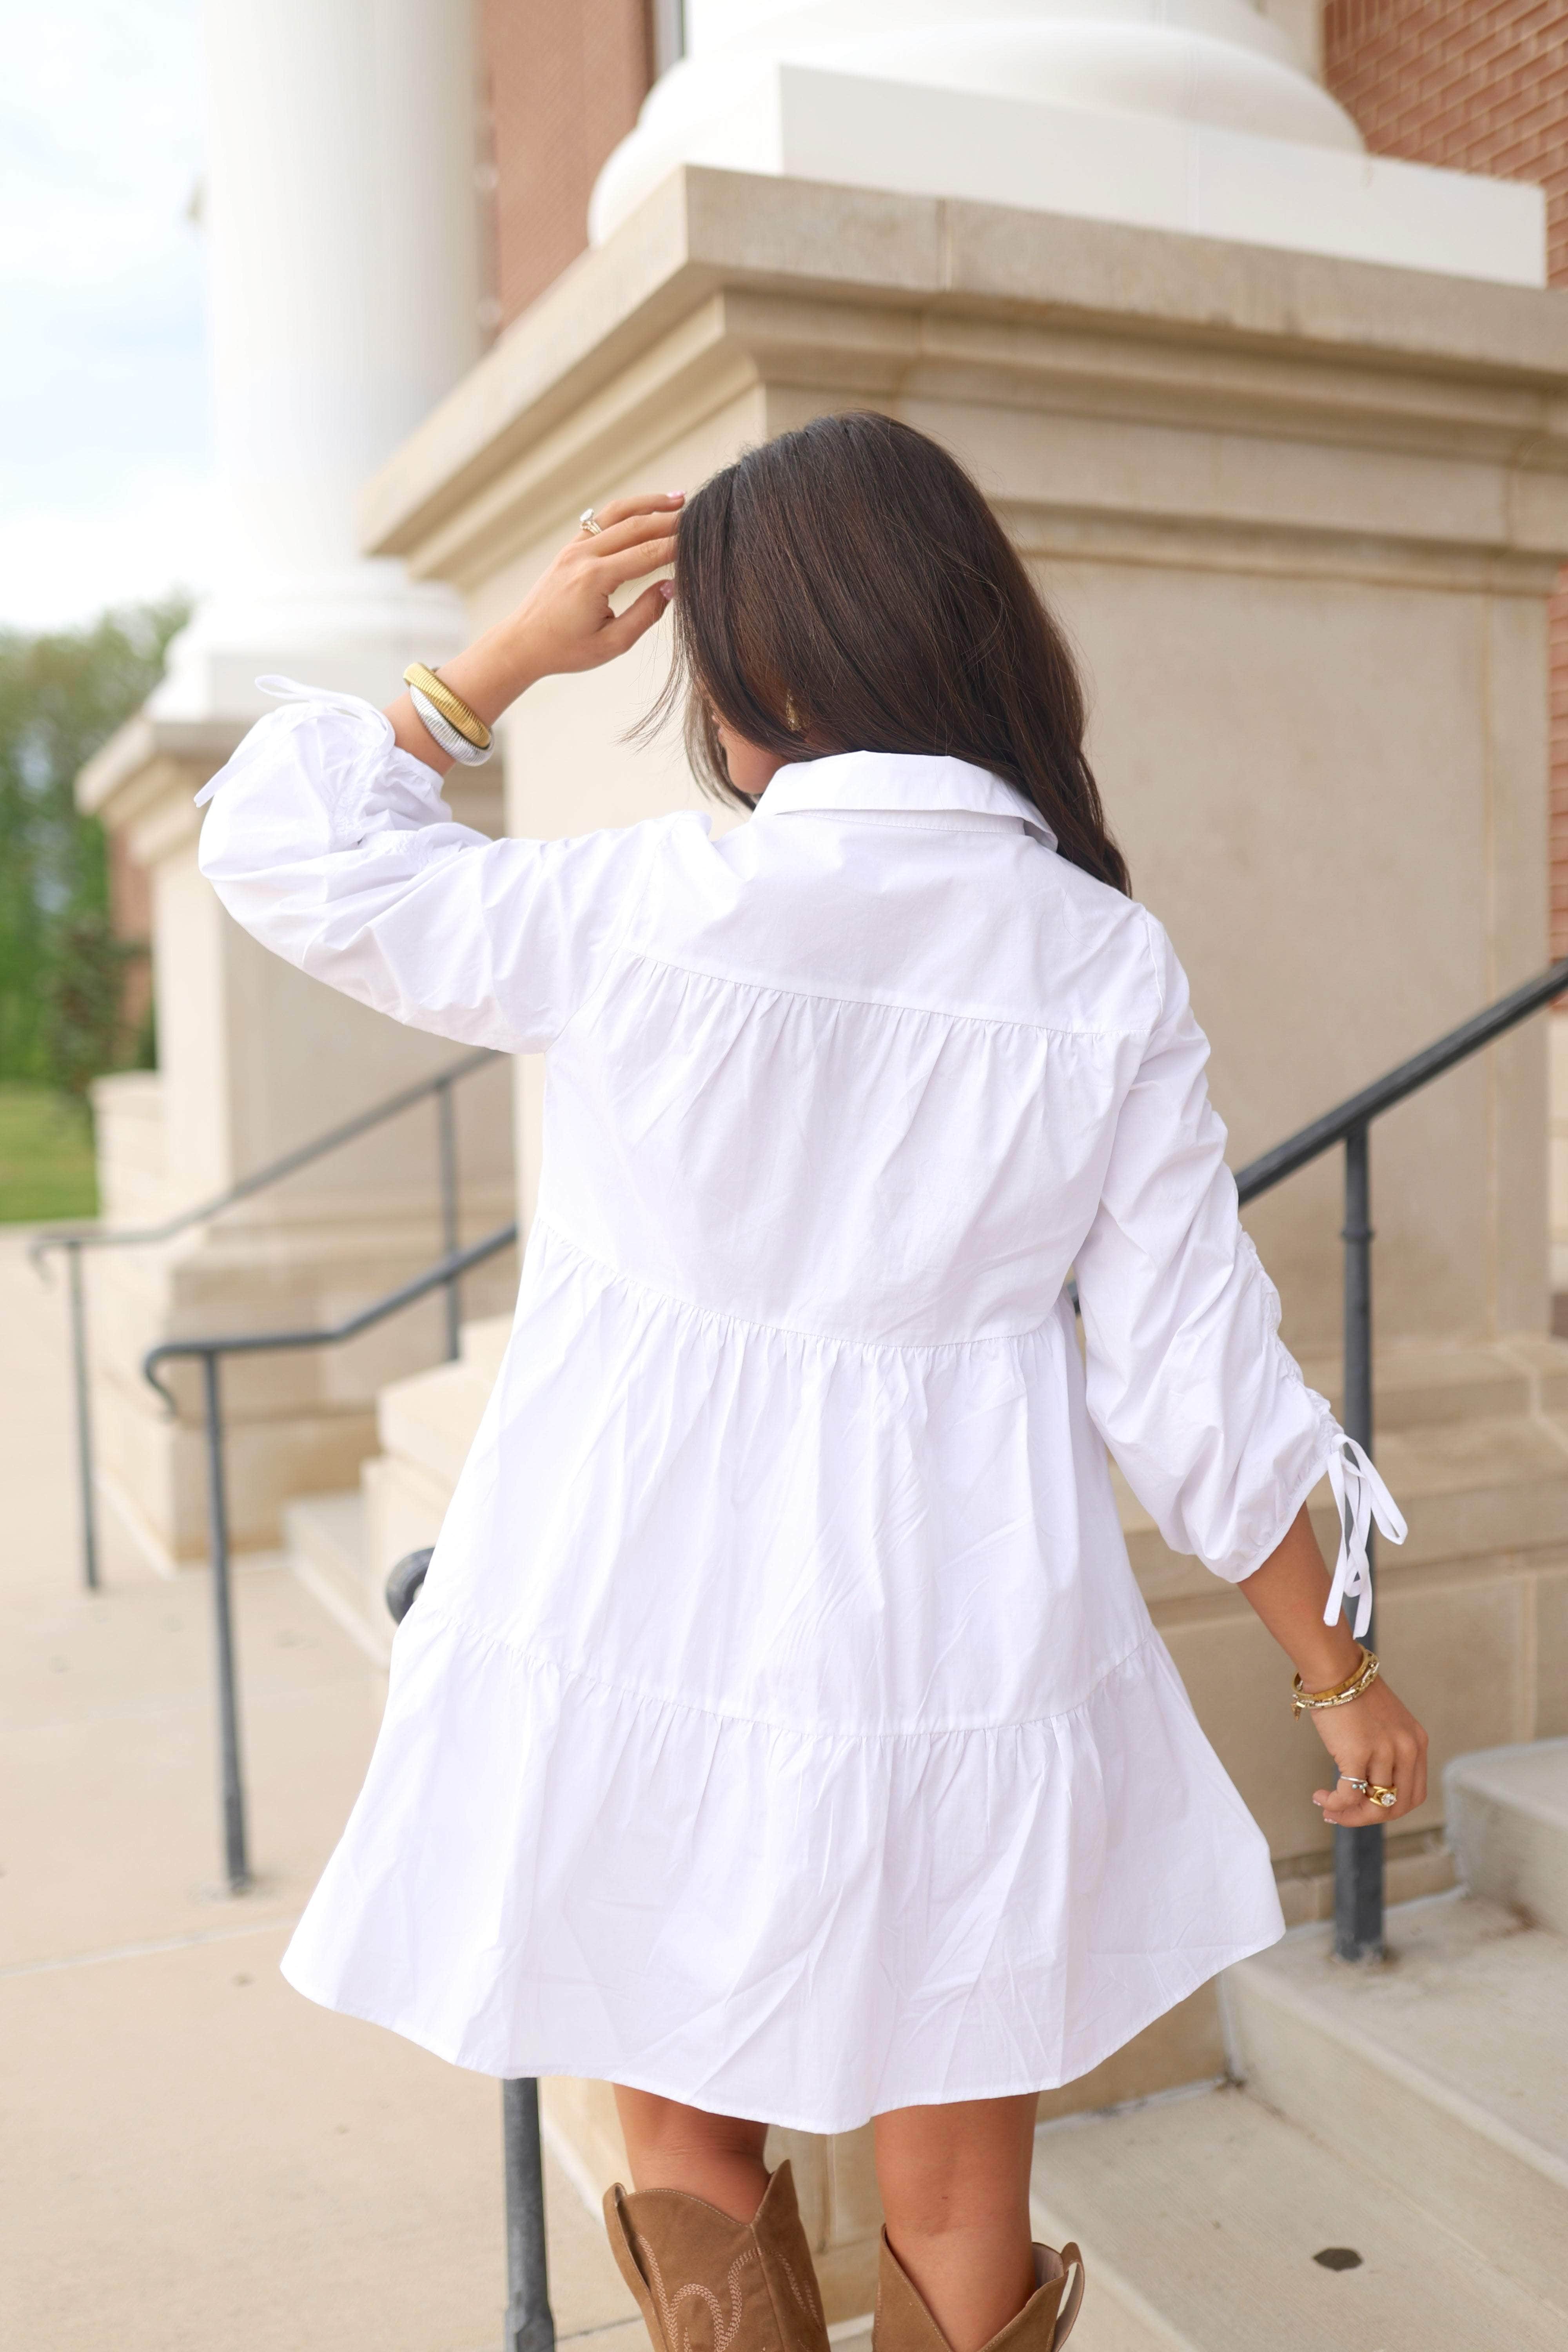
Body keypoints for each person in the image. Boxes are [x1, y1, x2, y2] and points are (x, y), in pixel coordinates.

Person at [197, 414, 1427, 2352]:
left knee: (680, 2110)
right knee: (957, 2173)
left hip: (636, 1588)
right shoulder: (1094, 962)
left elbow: (290, 853)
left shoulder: (640, 910)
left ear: (758, 673)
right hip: (960, 1619)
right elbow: (1195, 1383)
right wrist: (1337, 1677)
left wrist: (494, 665)